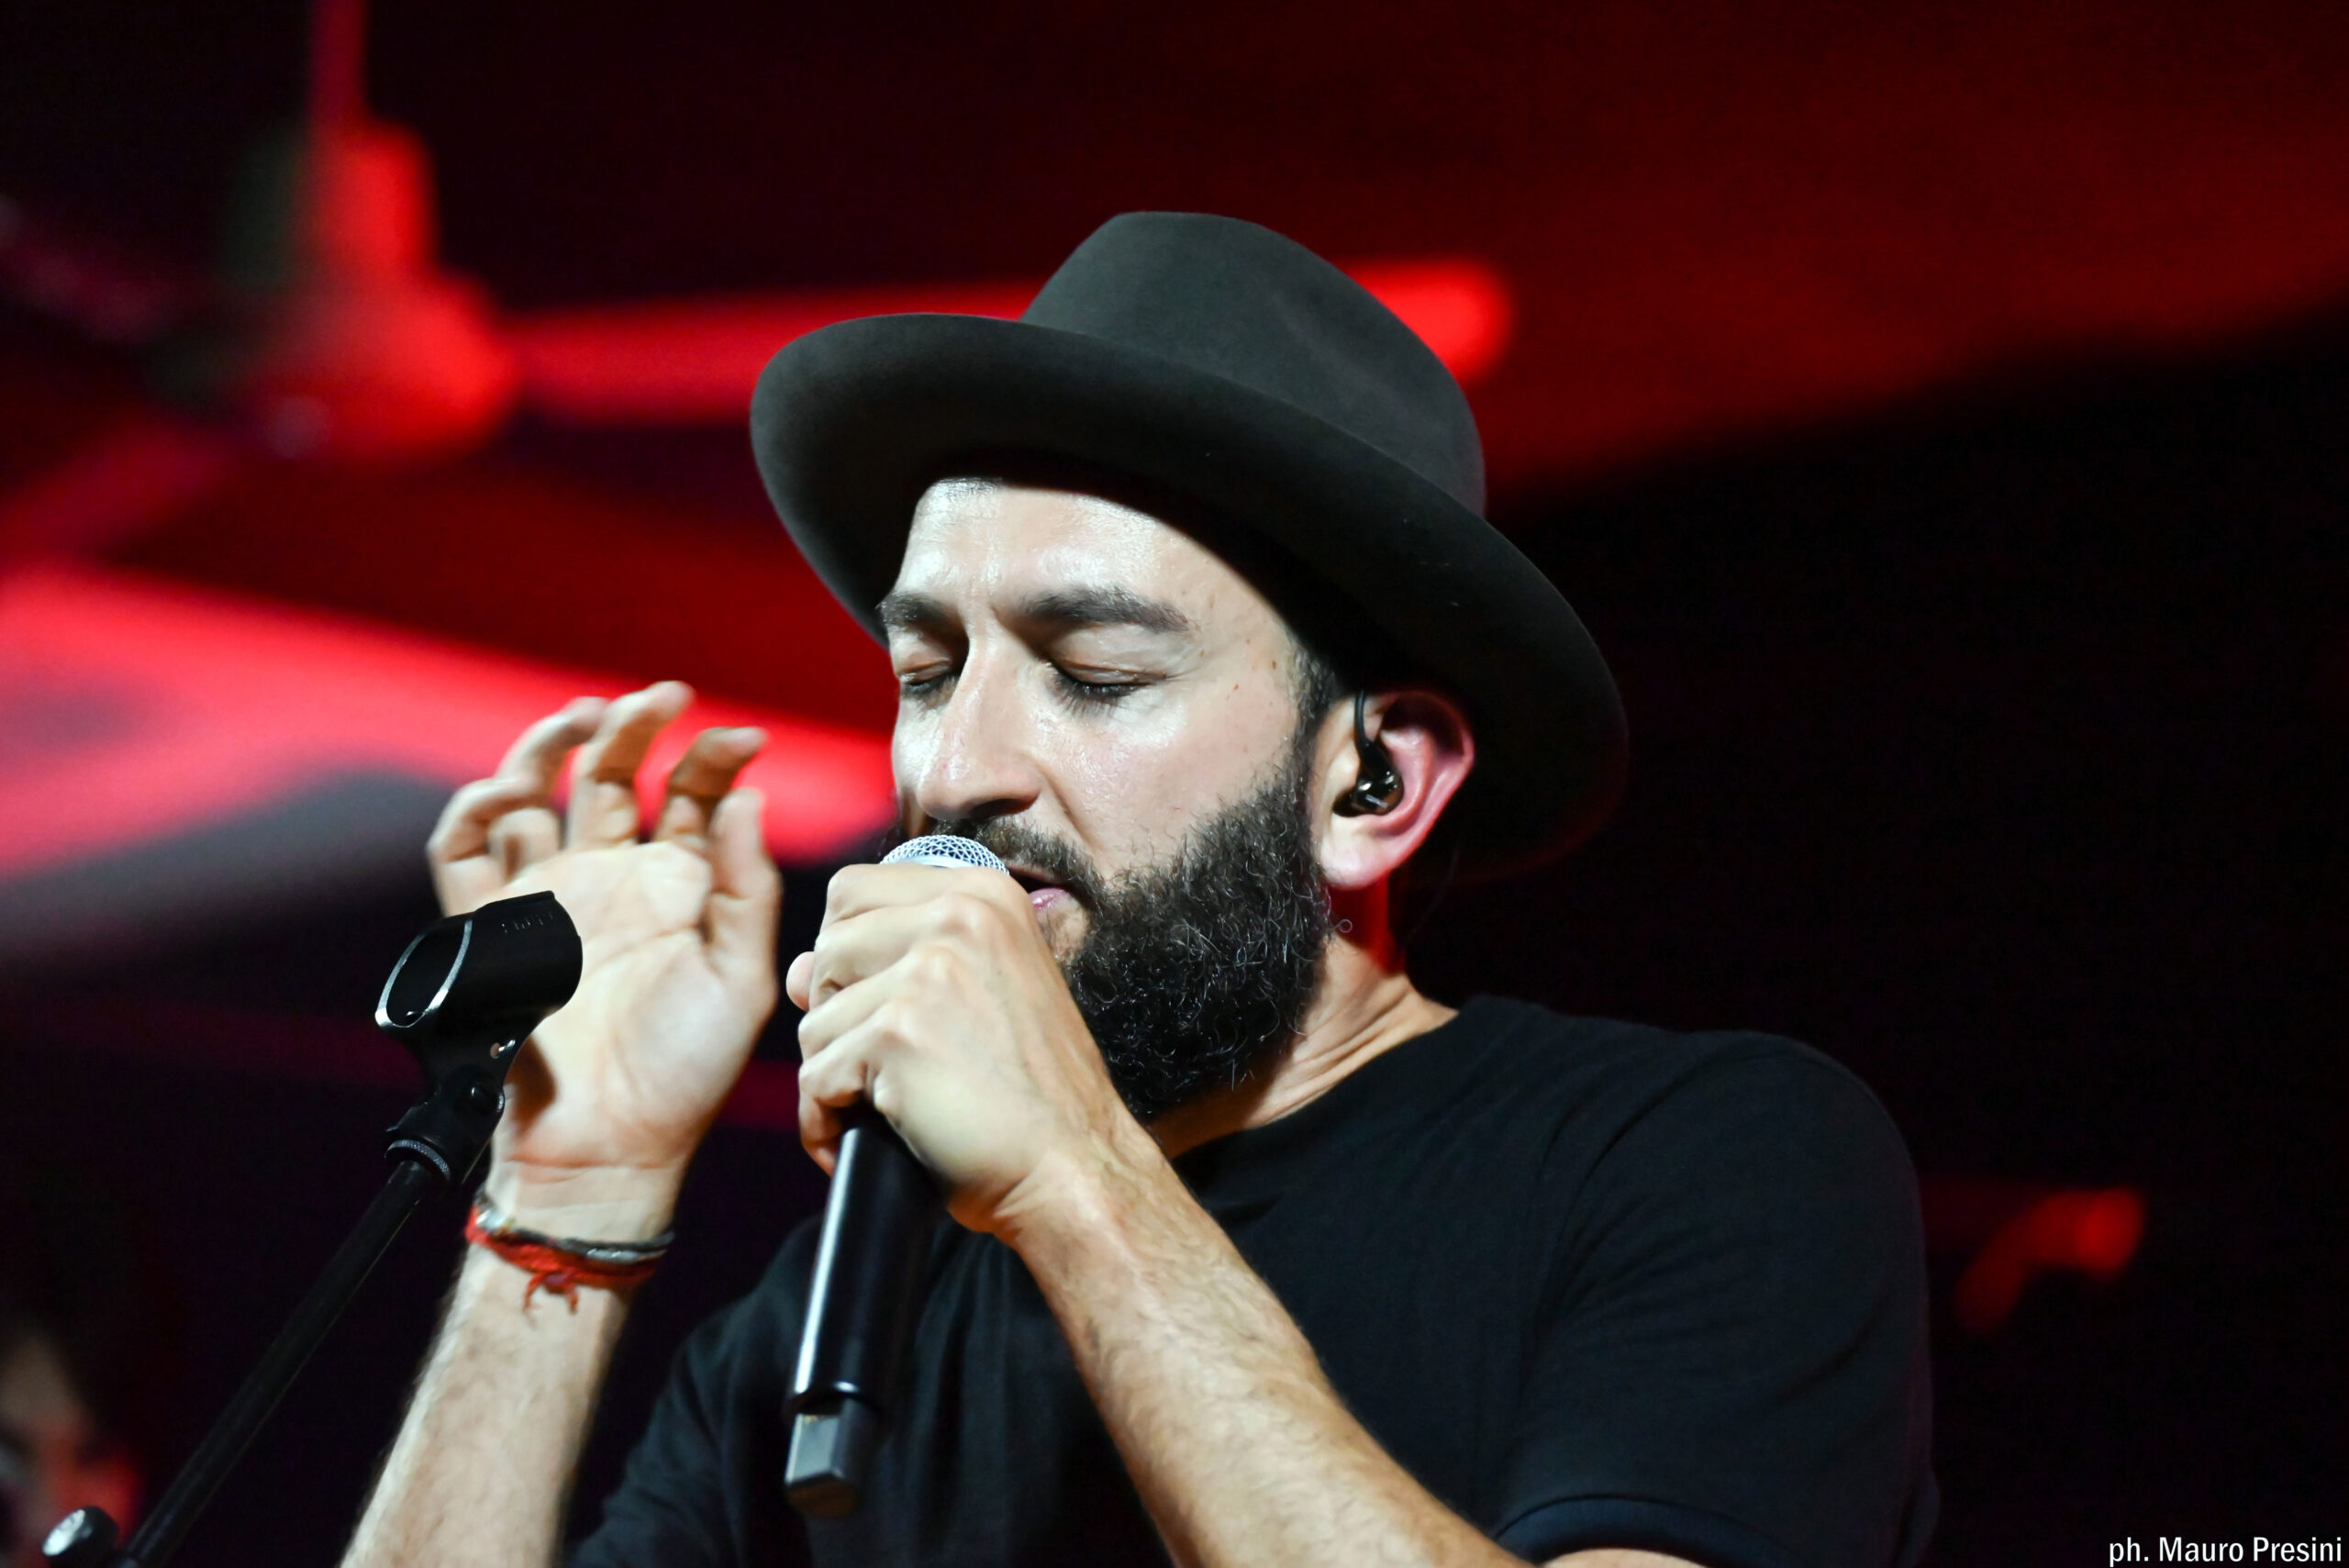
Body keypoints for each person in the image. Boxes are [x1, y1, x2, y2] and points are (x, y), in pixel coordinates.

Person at [340, 214, 1934, 1568]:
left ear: (1374, 781)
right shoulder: (829, 1319)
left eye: (1094, 671)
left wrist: (1078, 1174)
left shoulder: (1699, 1161)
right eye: (927, 668)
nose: (959, 768)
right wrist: (567, 1198)